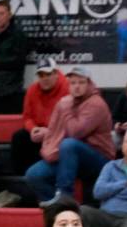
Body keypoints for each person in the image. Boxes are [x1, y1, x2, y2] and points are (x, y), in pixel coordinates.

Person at [25, 66, 115, 206]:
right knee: (33, 174)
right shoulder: (68, 101)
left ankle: (65, 196)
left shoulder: (96, 103)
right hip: (71, 157)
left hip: (99, 158)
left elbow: (75, 132)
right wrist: (45, 133)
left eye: (81, 82)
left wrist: (66, 108)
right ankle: (58, 209)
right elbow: (60, 130)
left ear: (89, 83)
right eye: (73, 83)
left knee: (69, 144)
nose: (76, 87)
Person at [10, 57, 70, 174]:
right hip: (39, 130)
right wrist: (33, 129)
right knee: (19, 137)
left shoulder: (67, 89)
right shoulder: (32, 90)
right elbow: (27, 117)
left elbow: (69, 120)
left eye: (48, 74)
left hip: (59, 133)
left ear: (56, 74)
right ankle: (20, 178)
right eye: (41, 75)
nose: (45, 79)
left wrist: (49, 132)